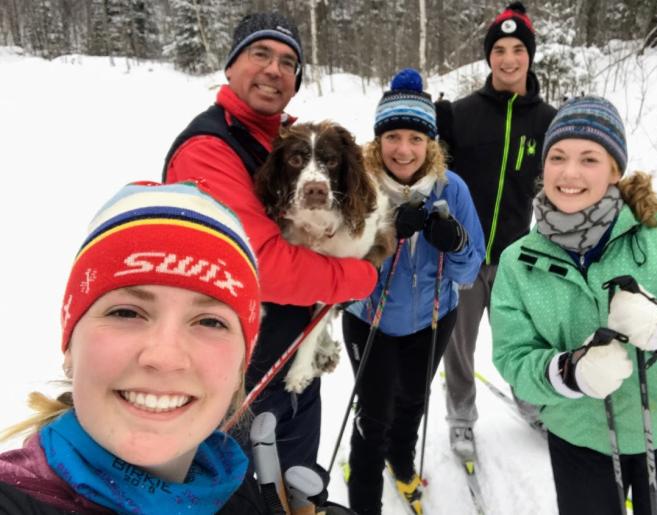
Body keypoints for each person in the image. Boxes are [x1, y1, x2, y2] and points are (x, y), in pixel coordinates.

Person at [491, 96, 657, 514]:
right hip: (580, 439)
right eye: (558, 157)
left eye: (589, 159)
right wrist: (570, 372)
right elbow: (513, 360)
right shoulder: (518, 261)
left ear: (615, 169)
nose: (569, 173)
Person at [163, 12, 378, 473]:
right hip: (236, 377)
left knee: (298, 485)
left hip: (290, 361)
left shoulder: (280, 137)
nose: (274, 69)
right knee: (242, 492)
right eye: (260, 53)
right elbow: (260, 267)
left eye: (287, 61)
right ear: (231, 66)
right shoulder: (209, 148)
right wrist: (359, 276)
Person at [0, 181, 264, 514]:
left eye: (210, 322)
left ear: (242, 363)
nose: (164, 357)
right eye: (126, 312)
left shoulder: (241, 494)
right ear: (69, 346)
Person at [342, 68, 485, 515]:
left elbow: (469, 267)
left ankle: (401, 463)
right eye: (393, 136)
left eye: (416, 139)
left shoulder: (451, 188)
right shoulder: (358, 187)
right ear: (377, 140)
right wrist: (384, 235)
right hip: (371, 320)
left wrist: (456, 241)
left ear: (432, 144)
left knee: (413, 400)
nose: (404, 149)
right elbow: (339, 273)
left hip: (433, 317)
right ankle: (365, 498)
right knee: (374, 412)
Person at [435, 1, 557, 460]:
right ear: (489, 57)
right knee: (459, 346)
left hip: (516, 257)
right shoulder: (460, 114)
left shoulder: (548, 121)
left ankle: (531, 401)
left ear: (529, 55)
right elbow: (431, 175)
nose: (508, 59)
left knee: (519, 340)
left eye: (517, 49)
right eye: (500, 49)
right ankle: (461, 418)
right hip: (464, 256)